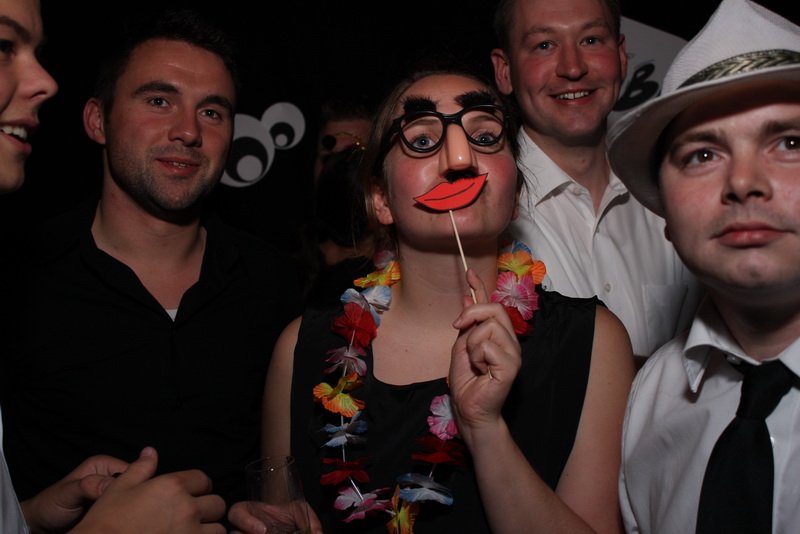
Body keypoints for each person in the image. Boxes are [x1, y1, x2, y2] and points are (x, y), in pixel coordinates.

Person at [230, 64, 635, 533]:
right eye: (422, 140)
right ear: (381, 199)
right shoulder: (300, 349)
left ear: (516, 192)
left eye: (485, 137)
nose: (460, 159)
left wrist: (483, 428)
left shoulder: (592, 342)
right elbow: (282, 516)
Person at [0, 5, 301, 520]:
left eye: (213, 112)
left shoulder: (272, 282)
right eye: (159, 101)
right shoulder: (20, 276)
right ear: (97, 120)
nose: (188, 131)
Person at [606, 0, 800, 531]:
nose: (743, 181)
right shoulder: (652, 399)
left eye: (790, 143)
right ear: (665, 216)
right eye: (702, 155)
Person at [490, 0, 701, 362]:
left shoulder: (677, 198)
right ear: (505, 71)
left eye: (591, 40)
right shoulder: (481, 212)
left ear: (620, 56)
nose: (573, 68)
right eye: (544, 45)